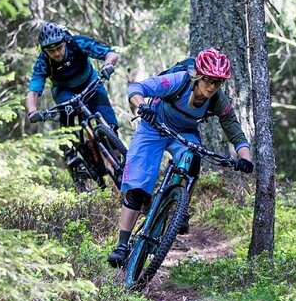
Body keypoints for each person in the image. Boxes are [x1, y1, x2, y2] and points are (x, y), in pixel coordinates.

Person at [107, 47, 254, 267]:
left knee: (194, 157)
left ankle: (180, 207)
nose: (212, 87)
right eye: (208, 80)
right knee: (137, 186)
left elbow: (233, 128)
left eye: (218, 82)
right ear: (198, 76)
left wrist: (246, 158)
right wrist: (142, 106)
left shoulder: (217, 100)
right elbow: (137, 88)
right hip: (153, 126)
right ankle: (121, 244)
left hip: (184, 133)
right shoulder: (178, 81)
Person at [24, 23, 122, 177]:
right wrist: (32, 111)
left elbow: (110, 54)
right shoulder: (43, 61)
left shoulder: (77, 43)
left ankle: (119, 164)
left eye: (59, 48)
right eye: (51, 51)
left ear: (65, 42)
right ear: (45, 51)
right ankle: (70, 153)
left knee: (109, 121)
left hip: (90, 81)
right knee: (66, 116)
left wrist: (107, 65)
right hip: (64, 89)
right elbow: (34, 90)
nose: (56, 53)